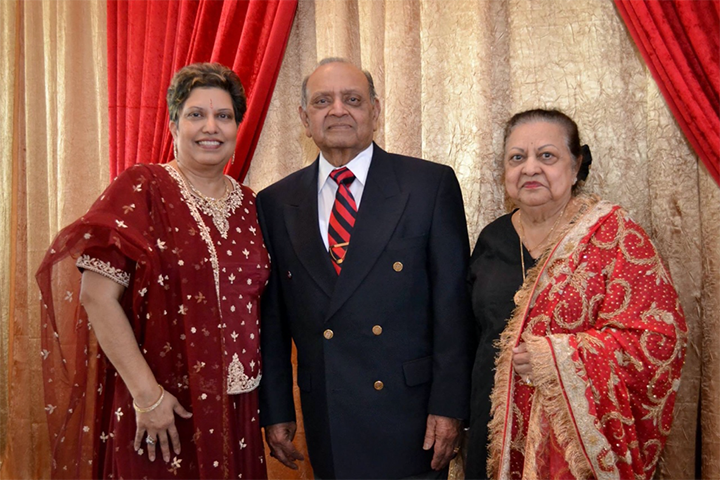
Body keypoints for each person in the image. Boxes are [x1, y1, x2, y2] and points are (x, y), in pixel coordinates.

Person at [36, 63, 270, 480]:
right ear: (173, 124)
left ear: (237, 127)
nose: (210, 127)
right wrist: (146, 396)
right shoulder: (143, 187)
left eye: (224, 116)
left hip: (237, 408)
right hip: (163, 408)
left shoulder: (252, 206)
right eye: (196, 114)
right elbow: (96, 296)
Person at [256, 57, 475, 480]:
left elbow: (452, 310)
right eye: (323, 101)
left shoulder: (428, 185)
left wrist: (449, 406)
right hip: (330, 417)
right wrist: (277, 408)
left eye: (352, 99)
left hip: (412, 419)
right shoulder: (275, 202)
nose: (338, 110)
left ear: (375, 111)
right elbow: (273, 319)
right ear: (305, 118)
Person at [465, 108, 687, 479]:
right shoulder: (492, 237)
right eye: (517, 157)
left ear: (577, 164)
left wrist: (555, 357)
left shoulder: (615, 234)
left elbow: (660, 340)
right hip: (493, 434)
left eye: (547, 156)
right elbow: (473, 335)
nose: (530, 168)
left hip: (573, 450)